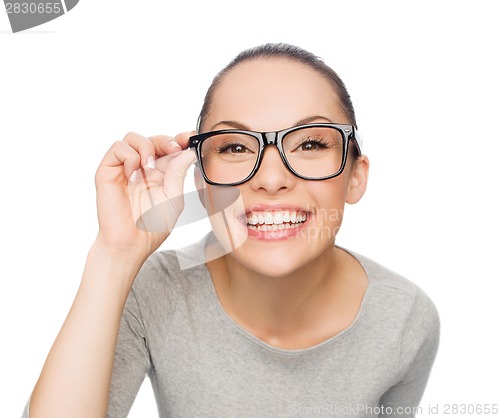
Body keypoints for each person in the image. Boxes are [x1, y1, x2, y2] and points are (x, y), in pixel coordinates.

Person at [22, 43, 440, 418]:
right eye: (236, 147)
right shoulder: (154, 292)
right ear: (202, 183)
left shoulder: (405, 318)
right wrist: (115, 256)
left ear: (354, 177)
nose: (272, 179)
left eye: (310, 143)